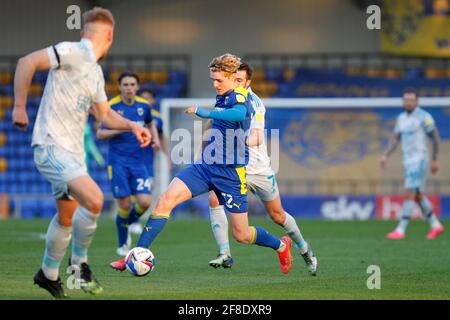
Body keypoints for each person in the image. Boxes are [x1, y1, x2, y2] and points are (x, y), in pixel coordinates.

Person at [12, 8, 151, 298]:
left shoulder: (95, 72)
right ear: (110, 36)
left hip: (72, 153)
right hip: (51, 145)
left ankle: (48, 274)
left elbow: (105, 115)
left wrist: (132, 126)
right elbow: (27, 62)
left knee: (66, 217)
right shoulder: (73, 51)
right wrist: (19, 106)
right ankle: (80, 265)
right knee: (95, 199)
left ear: (86, 31)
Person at [110, 53, 293, 274]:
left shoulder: (241, 96)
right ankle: (135, 254)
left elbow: (237, 114)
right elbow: (215, 123)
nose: (214, 84)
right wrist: (202, 148)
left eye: (218, 80)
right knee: (165, 201)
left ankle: (281, 245)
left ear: (233, 77)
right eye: (212, 79)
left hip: (231, 174)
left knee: (242, 235)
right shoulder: (223, 94)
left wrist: (201, 110)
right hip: (206, 167)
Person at [206, 61, 318, 275]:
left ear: (248, 82)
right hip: (231, 167)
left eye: (240, 80)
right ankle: (225, 253)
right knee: (213, 198)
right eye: (233, 79)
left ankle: (304, 248)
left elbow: (257, 134)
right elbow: (212, 122)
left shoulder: (255, 104)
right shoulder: (225, 97)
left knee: (277, 215)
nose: (235, 83)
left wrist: (241, 141)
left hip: (256, 168)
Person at [97, 72, 160, 256]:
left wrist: (155, 139)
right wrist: (121, 128)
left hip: (139, 161)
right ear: (119, 87)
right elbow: (100, 134)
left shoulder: (144, 106)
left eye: (132, 84)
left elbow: (150, 124)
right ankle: (123, 243)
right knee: (124, 204)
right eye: (125, 84)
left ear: (137, 87)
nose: (129, 88)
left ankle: (128, 222)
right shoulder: (111, 106)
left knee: (145, 202)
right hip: (118, 162)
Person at [381, 89, 444, 240]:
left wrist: (434, 159)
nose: (408, 103)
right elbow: (395, 138)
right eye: (406, 100)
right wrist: (385, 155)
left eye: (411, 100)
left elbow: (435, 137)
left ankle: (400, 229)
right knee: (417, 196)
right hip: (408, 161)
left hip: (420, 159)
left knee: (409, 192)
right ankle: (435, 224)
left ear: (417, 102)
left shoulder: (424, 117)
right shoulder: (401, 118)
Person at [125, 88, 171, 235]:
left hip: (148, 161)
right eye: (142, 98)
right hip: (130, 158)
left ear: (153, 100)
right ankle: (134, 221)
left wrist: (168, 156)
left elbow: (162, 137)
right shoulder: (131, 115)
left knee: (145, 193)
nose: (145, 101)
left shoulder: (157, 118)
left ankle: (132, 219)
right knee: (134, 191)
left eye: (148, 98)